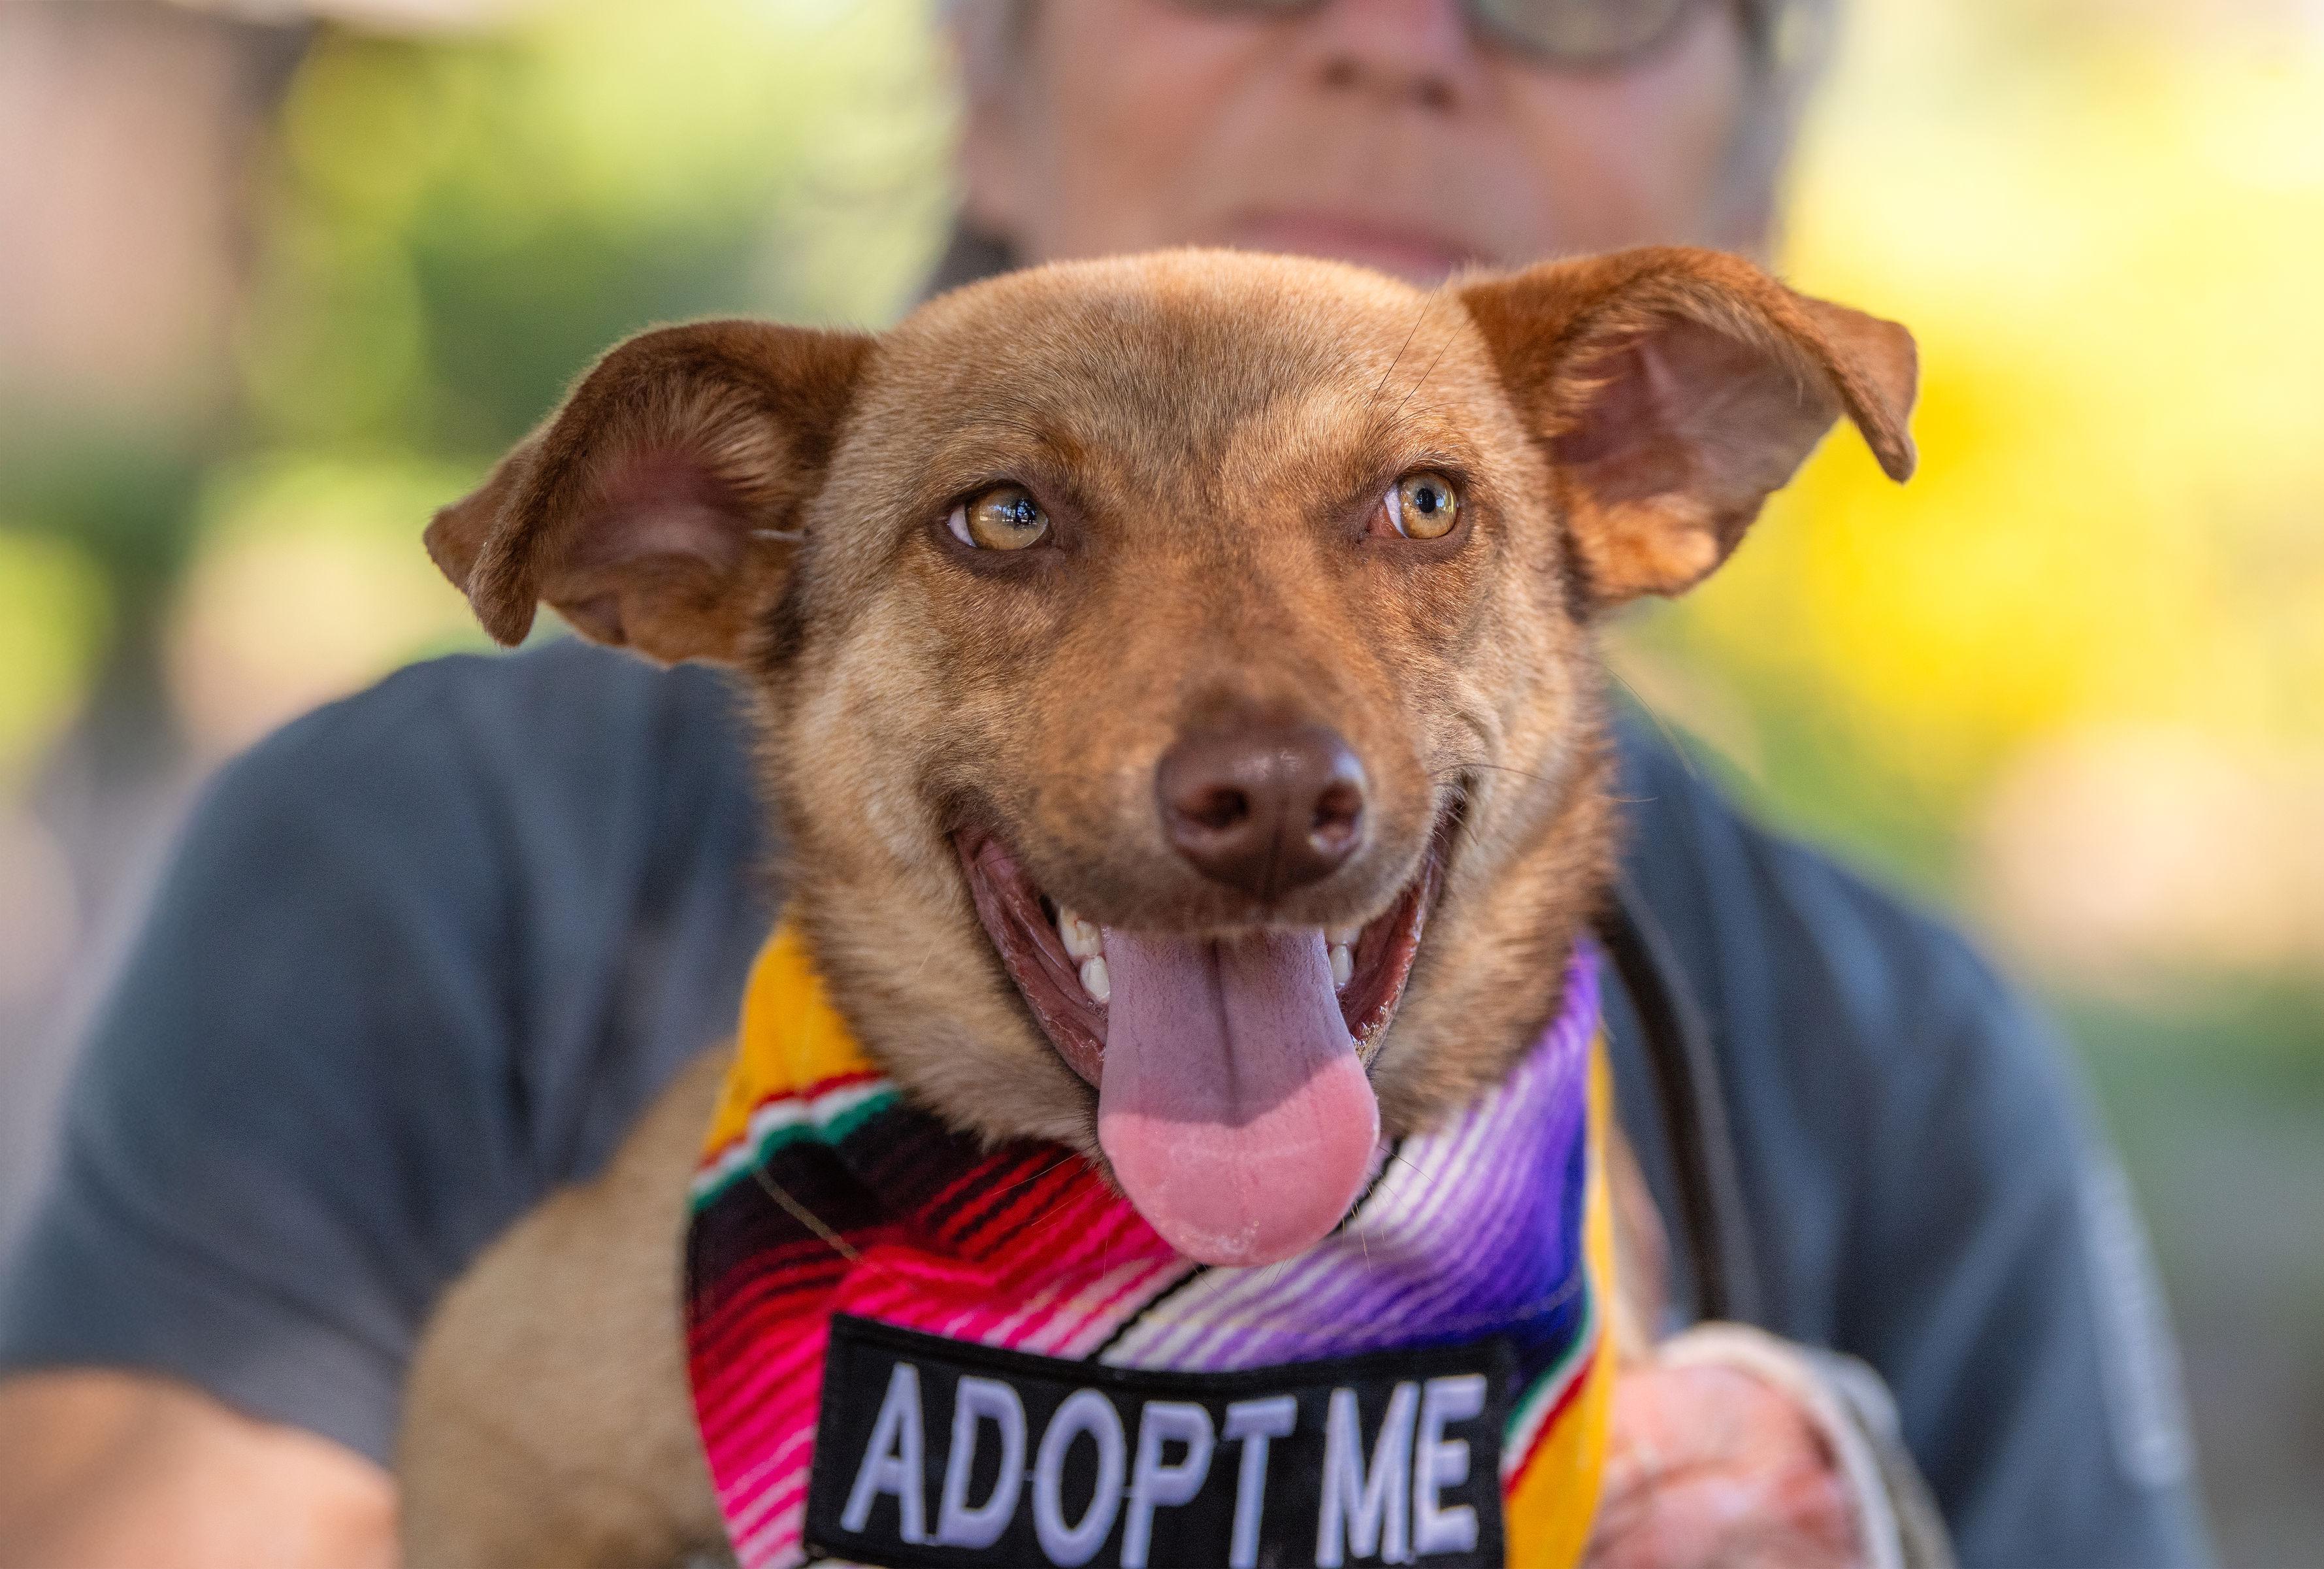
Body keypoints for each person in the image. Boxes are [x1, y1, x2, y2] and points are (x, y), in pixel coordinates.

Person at [0, 3, 2212, 1566]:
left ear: (1649, 429)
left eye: (1417, 510)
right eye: (1012, 524)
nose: (1395, 32)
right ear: (982, 61)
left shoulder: (1898, 1050)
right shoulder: (406, 855)